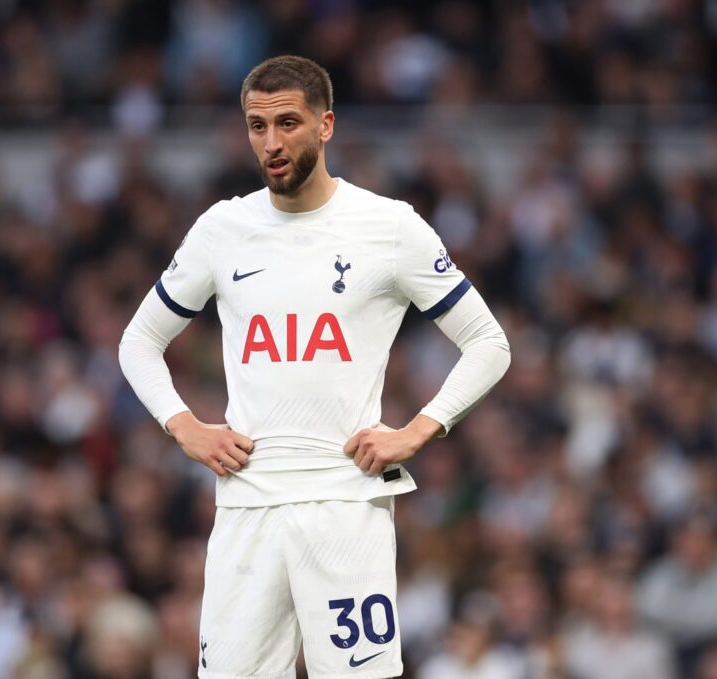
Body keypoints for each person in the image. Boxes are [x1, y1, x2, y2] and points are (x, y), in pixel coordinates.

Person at [119, 55, 511, 679]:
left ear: (326, 125)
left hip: (343, 502)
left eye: (287, 123)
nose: (271, 143)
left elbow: (489, 343)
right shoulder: (223, 228)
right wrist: (183, 425)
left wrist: (417, 430)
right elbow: (138, 341)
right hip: (247, 502)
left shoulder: (388, 227)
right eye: (256, 126)